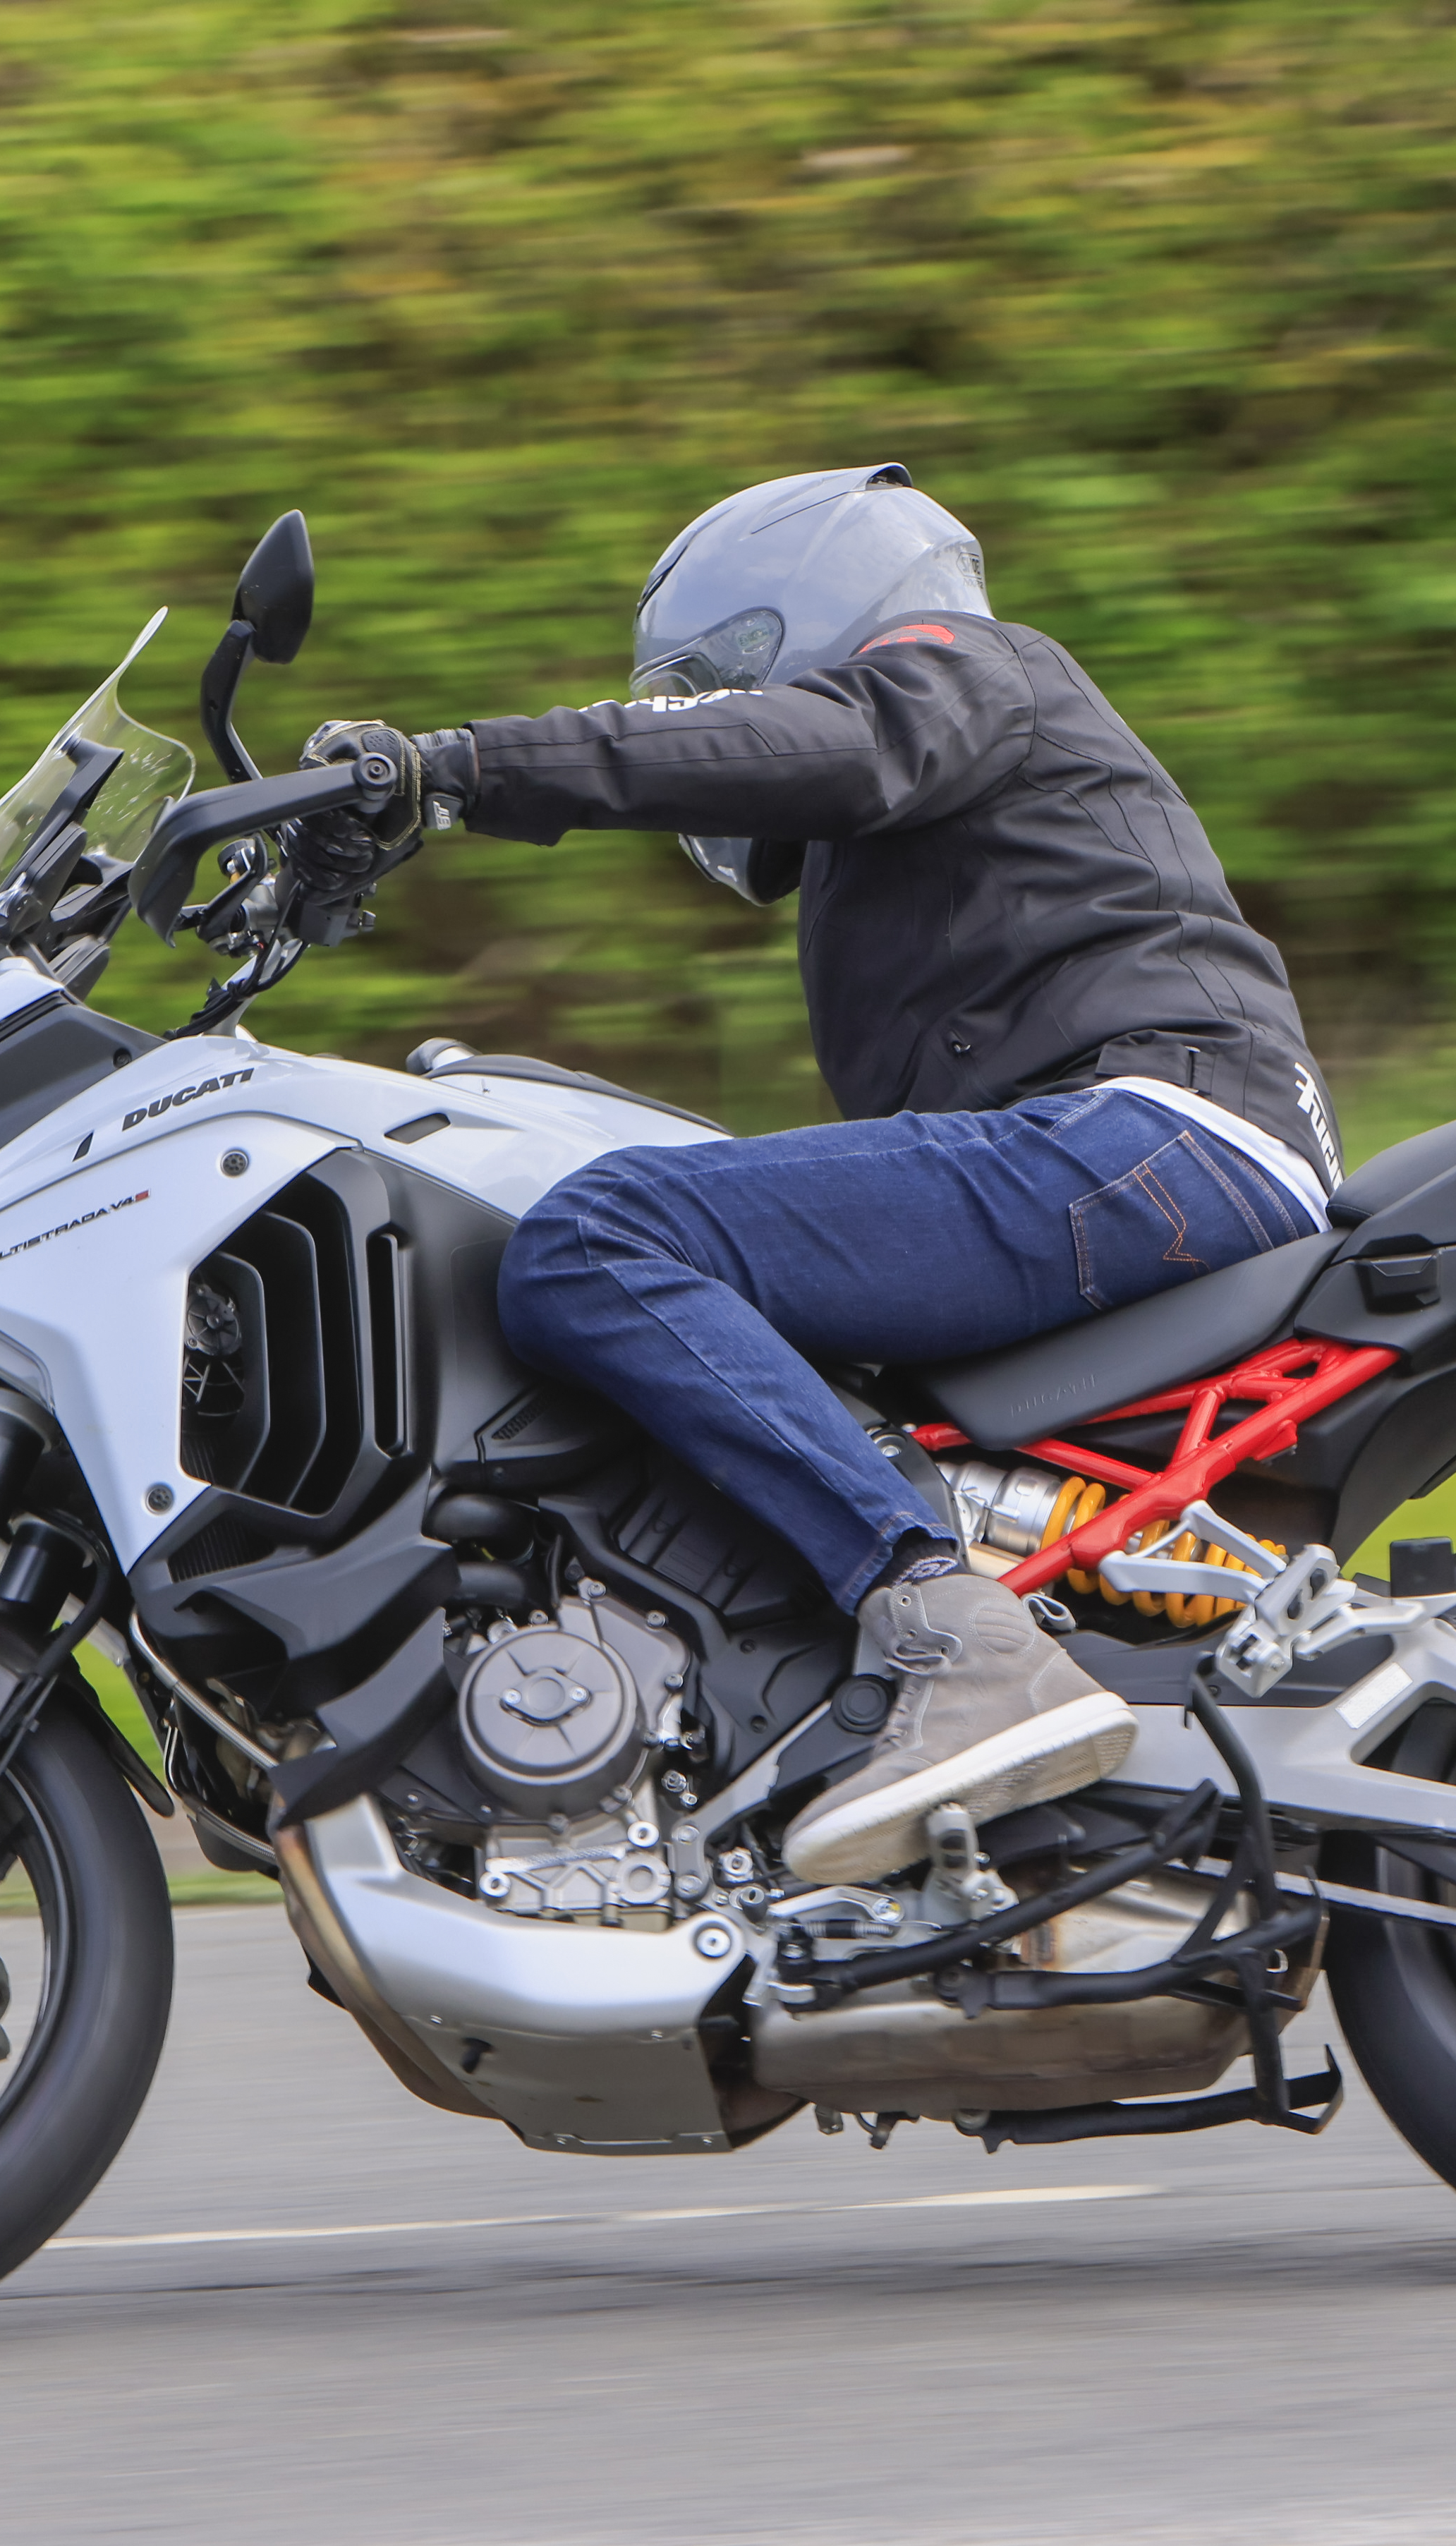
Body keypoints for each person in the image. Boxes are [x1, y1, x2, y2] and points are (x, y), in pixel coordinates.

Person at [295, 464, 1342, 1886]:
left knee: (598, 1240)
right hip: (1129, 1149)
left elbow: (808, 745)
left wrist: (458, 768)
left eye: (709, 681)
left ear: (812, 610)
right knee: (665, 1220)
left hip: (1156, 1127)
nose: (695, 712)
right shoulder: (899, 827)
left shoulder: (964, 675)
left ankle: (948, 1632)